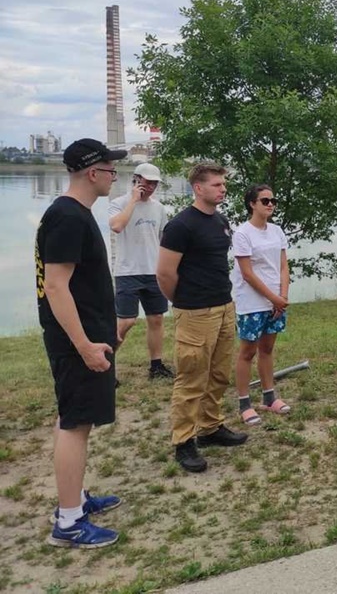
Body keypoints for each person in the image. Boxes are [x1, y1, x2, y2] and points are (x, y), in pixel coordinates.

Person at [37, 138, 127, 548]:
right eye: (111, 170)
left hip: (88, 335)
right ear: (93, 173)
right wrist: (85, 345)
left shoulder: (73, 213)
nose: (114, 176)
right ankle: (69, 522)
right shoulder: (68, 217)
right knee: (75, 424)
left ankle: (74, 498)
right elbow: (56, 286)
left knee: (74, 419)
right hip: (78, 342)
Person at [158, 163, 247, 474]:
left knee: (219, 373)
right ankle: (184, 441)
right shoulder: (181, 226)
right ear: (198, 188)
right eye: (217, 185)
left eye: (223, 184)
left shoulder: (220, 220)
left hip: (224, 305)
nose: (223, 189)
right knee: (192, 377)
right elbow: (165, 273)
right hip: (195, 311)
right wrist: (183, 302)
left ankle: (210, 427)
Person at [232, 184, 291, 426]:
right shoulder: (242, 234)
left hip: (276, 301)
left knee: (267, 349)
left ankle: (269, 397)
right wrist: (272, 298)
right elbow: (247, 273)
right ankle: (244, 404)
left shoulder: (277, 231)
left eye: (273, 201)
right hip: (252, 302)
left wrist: (282, 296)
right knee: (247, 352)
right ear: (252, 204)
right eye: (265, 201)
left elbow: (283, 266)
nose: (270, 205)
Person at [108, 162, 172, 380]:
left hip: (153, 270)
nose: (151, 187)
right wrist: (134, 201)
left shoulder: (159, 208)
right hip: (127, 271)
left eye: (155, 183)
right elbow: (117, 226)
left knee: (156, 318)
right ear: (136, 180)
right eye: (147, 182)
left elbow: (164, 239)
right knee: (126, 321)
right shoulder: (119, 203)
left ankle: (156, 365)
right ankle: (105, 365)